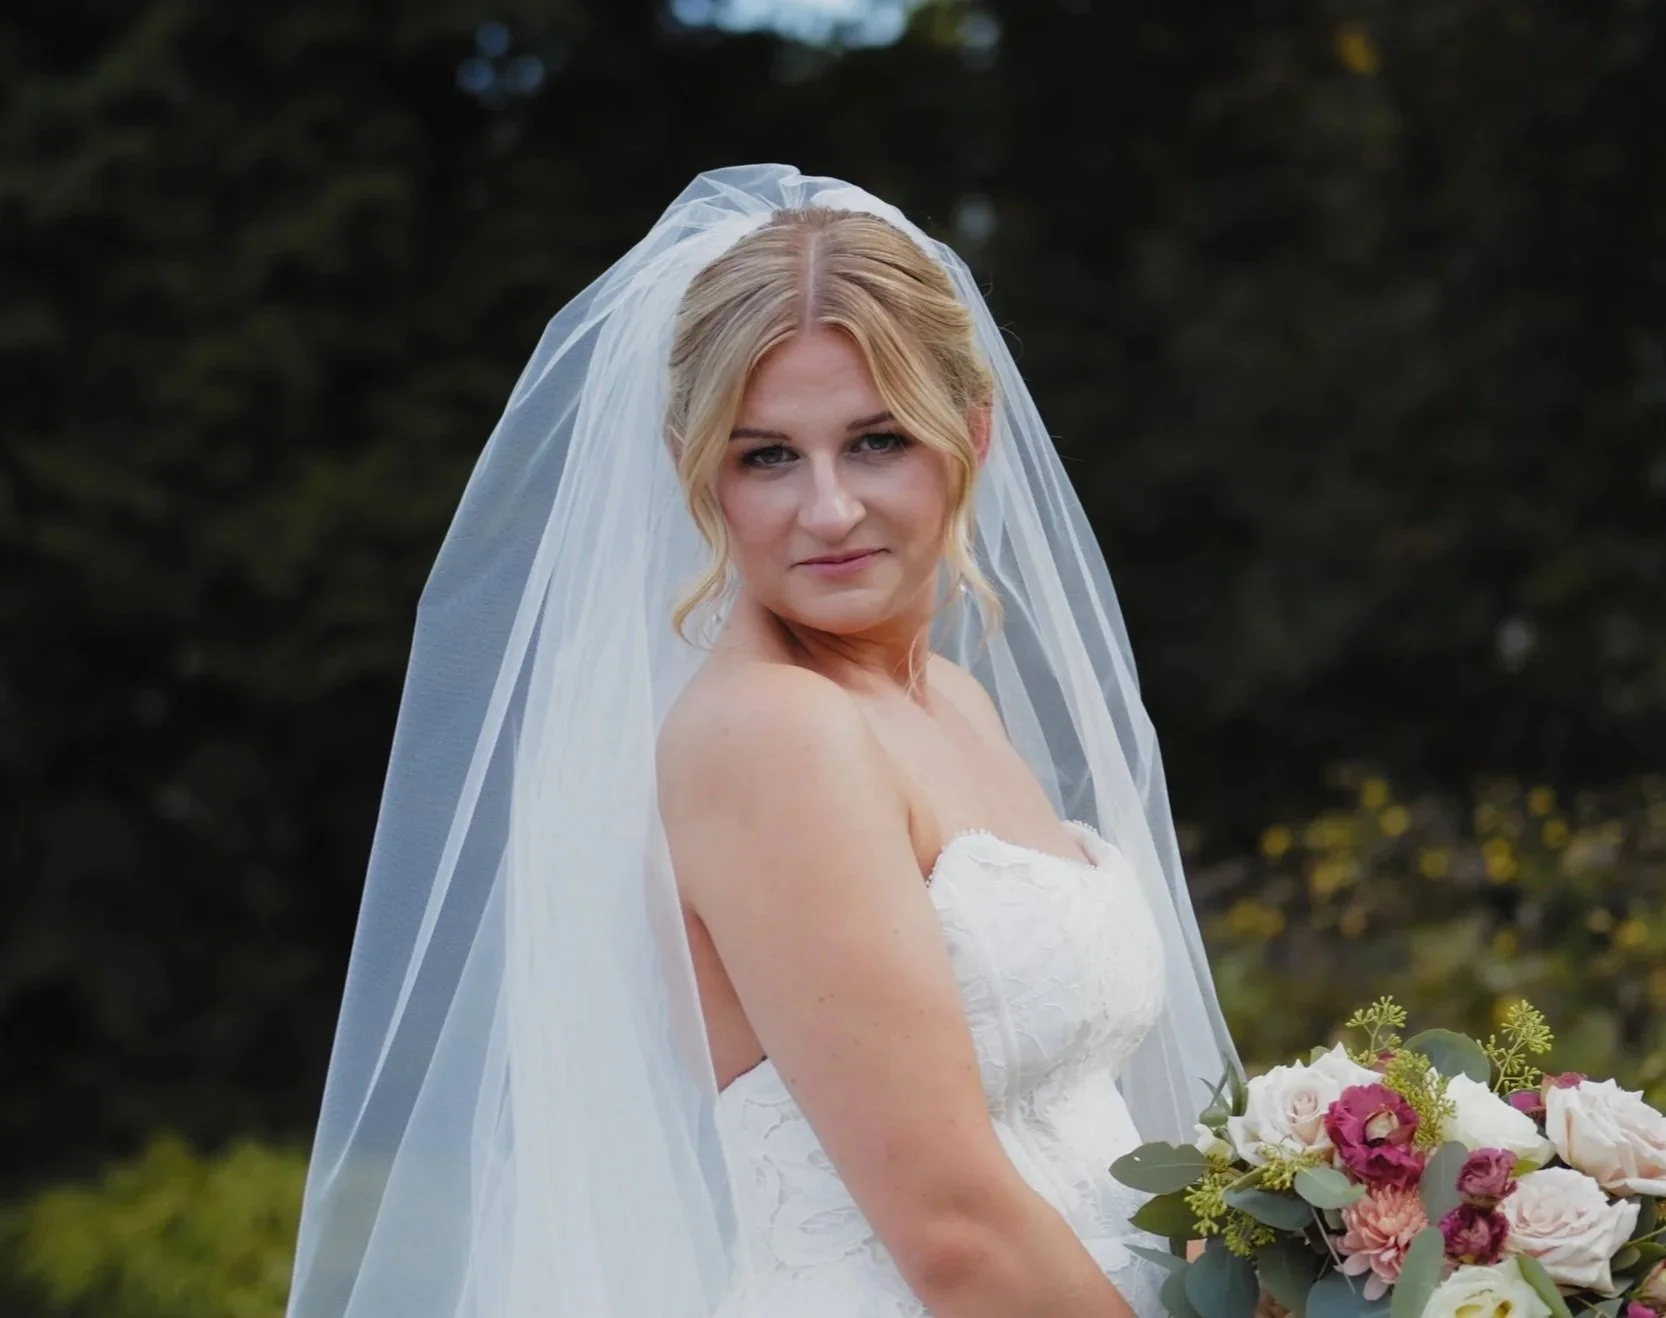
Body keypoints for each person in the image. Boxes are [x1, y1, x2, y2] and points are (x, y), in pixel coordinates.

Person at [283, 166, 1239, 1318]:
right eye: (767, 456)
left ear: (971, 434)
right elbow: (952, 1234)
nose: (826, 510)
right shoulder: (769, 733)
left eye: (875, 441)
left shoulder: (952, 706)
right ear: (702, 478)